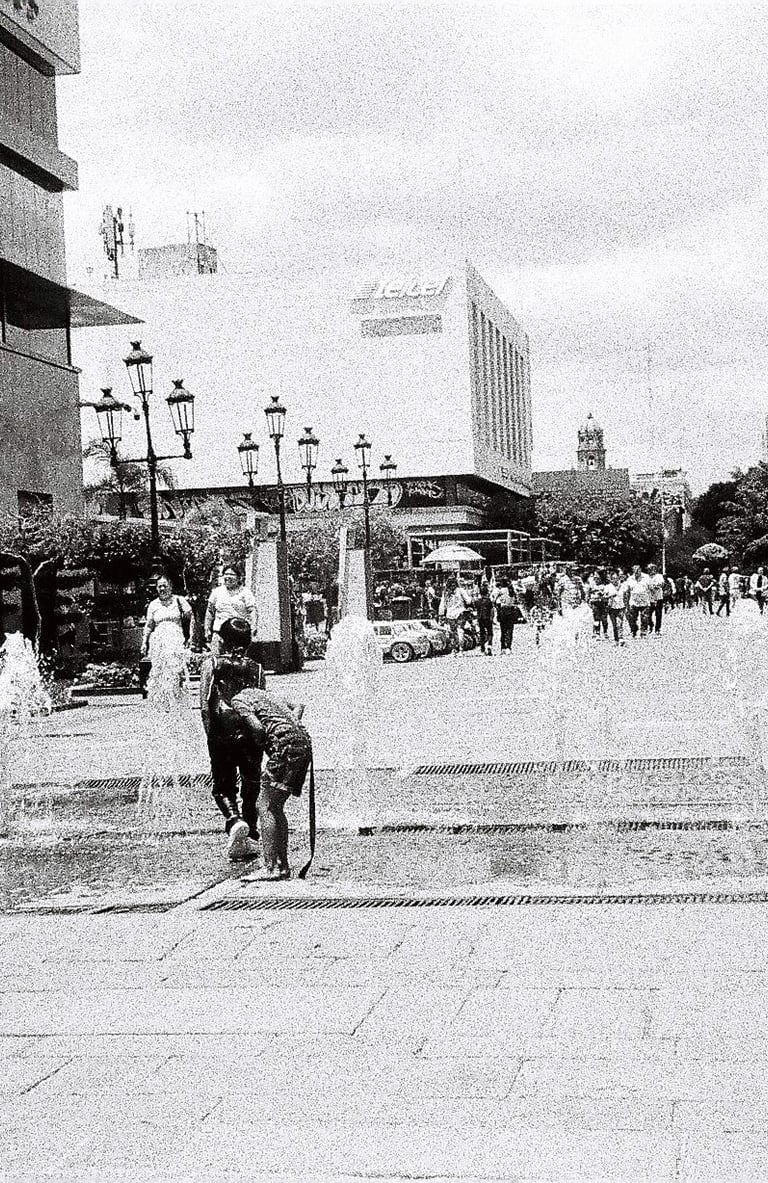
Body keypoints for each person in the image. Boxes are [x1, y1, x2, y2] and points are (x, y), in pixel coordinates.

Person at [199, 618, 266, 861]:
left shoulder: (212, 664)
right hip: (249, 731)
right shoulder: (257, 668)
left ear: (223, 640)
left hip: (221, 730)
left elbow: (205, 705)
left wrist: (210, 734)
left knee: (223, 785)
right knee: (252, 783)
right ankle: (251, 831)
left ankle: (234, 820)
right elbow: (261, 704)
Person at [230, 687, 312, 880]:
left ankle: (271, 867)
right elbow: (299, 705)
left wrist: (256, 742)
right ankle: (282, 866)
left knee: (264, 806)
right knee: (275, 807)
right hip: (303, 743)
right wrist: (289, 731)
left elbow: (258, 729)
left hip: (285, 748)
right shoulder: (265, 695)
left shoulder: (239, 699)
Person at [140, 575, 193, 703]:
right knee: (159, 669)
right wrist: (144, 642)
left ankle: (176, 697)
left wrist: (191, 637)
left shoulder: (179, 601)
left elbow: (191, 620)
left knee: (175, 668)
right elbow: (149, 625)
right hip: (158, 640)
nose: (162, 589)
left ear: (171, 586)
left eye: (165, 586)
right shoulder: (153, 605)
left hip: (175, 639)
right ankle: (163, 699)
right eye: (160, 586)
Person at [204, 566, 258, 655]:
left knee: (237, 660)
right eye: (226, 574)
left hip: (238, 634)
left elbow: (252, 611)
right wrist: (207, 628)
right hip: (219, 633)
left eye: (231, 574)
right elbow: (210, 611)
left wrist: (254, 626)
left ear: (239, 577)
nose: (228, 577)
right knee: (217, 660)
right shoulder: (217, 592)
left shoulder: (245, 593)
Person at [439, 576, 473, 653]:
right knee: (460, 630)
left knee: (452, 632)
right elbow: (468, 601)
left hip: (450, 614)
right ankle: (461, 649)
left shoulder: (446, 593)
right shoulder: (460, 590)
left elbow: (442, 605)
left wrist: (441, 615)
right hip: (460, 613)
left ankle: (453, 649)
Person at [624, 565, 651, 638]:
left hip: (644, 601)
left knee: (644, 618)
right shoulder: (630, 579)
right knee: (631, 618)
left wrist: (652, 599)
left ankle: (643, 632)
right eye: (635, 571)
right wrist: (626, 602)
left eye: (638, 571)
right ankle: (634, 631)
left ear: (640, 570)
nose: (636, 572)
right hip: (633, 602)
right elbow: (627, 591)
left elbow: (650, 589)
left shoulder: (646, 577)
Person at [494, 581, 518, 653]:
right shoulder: (512, 591)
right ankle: (508, 647)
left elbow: (495, 601)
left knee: (503, 630)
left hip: (502, 611)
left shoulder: (500, 591)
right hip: (510, 611)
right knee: (510, 630)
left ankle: (503, 647)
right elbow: (516, 601)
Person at [587, 570, 610, 638]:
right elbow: (588, 594)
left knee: (604, 619)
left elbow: (609, 593)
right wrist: (589, 601)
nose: (596, 579)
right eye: (595, 578)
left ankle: (605, 632)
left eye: (598, 578)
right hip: (595, 603)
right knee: (596, 619)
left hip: (604, 603)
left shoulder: (605, 584)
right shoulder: (592, 584)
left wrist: (603, 594)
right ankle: (597, 632)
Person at [606, 570, 626, 645]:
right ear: (611, 579)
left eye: (616, 578)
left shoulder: (623, 586)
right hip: (612, 607)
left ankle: (621, 638)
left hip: (621, 607)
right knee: (614, 624)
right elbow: (604, 596)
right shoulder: (608, 587)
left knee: (619, 623)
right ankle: (616, 639)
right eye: (613, 578)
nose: (615, 580)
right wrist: (610, 596)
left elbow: (626, 596)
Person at [646, 564, 665, 634]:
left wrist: (655, 586)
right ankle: (650, 625)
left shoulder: (659, 576)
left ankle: (657, 629)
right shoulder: (646, 577)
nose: (650, 571)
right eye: (649, 569)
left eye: (652, 569)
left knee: (658, 614)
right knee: (648, 614)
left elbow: (662, 584)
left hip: (658, 597)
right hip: (649, 598)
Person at [475, 585, 495, 655]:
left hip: (480, 618)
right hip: (488, 618)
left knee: (482, 633)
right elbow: (492, 610)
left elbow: (476, 610)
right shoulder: (489, 601)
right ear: (487, 592)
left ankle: (482, 648)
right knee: (490, 633)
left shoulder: (477, 601)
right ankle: (489, 645)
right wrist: (492, 618)